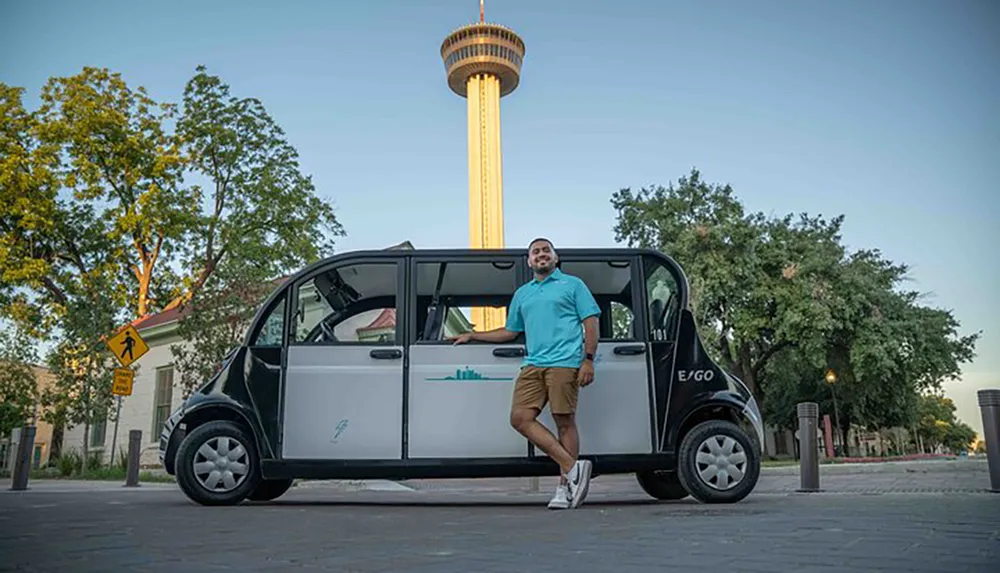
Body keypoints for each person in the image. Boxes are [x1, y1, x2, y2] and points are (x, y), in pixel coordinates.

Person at [450, 238, 600, 509]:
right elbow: (510, 331)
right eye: (536, 252)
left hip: (565, 362)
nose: (541, 255)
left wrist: (588, 360)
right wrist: (473, 335)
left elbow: (590, 322)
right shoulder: (523, 294)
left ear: (556, 258)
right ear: (529, 261)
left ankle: (564, 488)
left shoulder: (573, 285)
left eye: (546, 250)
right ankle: (573, 467)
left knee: (563, 420)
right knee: (520, 418)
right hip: (533, 364)